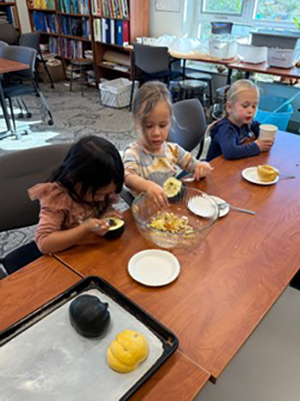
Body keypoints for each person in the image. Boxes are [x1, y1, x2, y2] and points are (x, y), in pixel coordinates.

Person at [28, 136, 124, 254]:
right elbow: (44, 243)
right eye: (98, 194)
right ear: (73, 179)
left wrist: (106, 215)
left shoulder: (99, 189)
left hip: (90, 250)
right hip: (64, 255)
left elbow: (100, 212)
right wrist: (85, 229)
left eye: (108, 194)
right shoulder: (58, 199)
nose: (102, 199)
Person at [123, 81, 213, 207]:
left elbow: (192, 164)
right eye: (149, 126)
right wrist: (147, 186)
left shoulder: (172, 149)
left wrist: (200, 167)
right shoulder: (133, 153)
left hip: (171, 207)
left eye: (162, 125)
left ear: (170, 121)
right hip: (146, 211)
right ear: (137, 122)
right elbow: (127, 177)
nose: (156, 132)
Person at [206, 79, 274, 161]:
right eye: (245, 106)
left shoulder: (244, 121)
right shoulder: (225, 128)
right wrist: (257, 147)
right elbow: (230, 152)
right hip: (215, 169)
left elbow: (256, 126)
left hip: (232, 166)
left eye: (254, 106)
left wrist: (265, 138)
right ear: (229, 107)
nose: (250, 111)